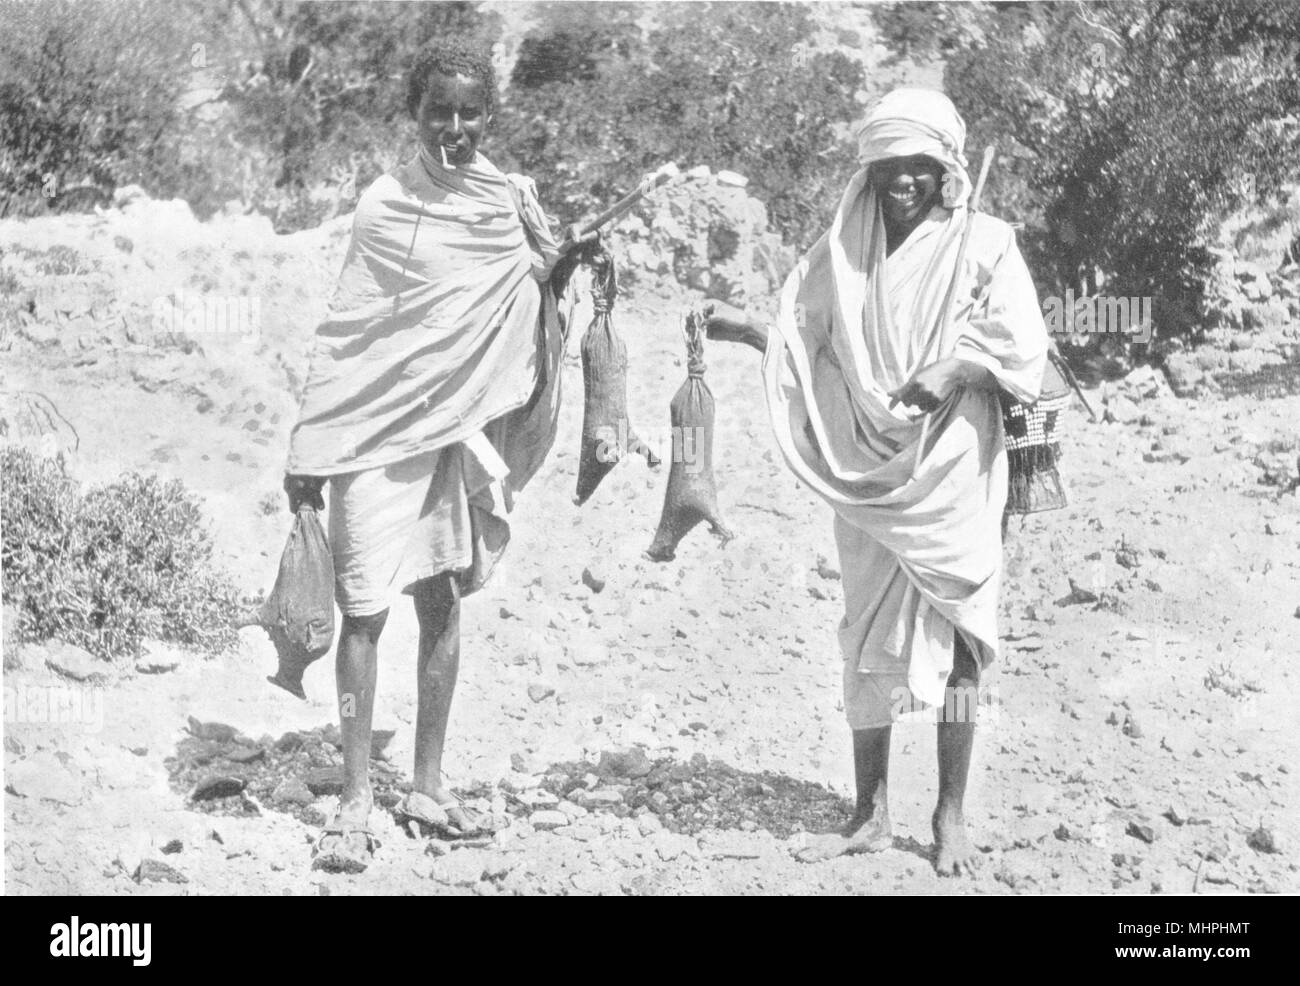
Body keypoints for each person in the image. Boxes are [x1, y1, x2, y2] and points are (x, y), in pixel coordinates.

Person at [714, 88, 1048, 875]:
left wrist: (958, 366)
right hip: (866, 472)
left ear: (946, 168)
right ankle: (868, 813)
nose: (905, 181)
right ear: (871, 167)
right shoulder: (842, 252)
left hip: (955, 465)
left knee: (964, 631)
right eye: (891, 166)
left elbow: (1022, 350)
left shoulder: (986, 244)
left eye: (921, 166)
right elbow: (806, 345)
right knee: (863, 638)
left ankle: (951, 814)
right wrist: (742, 330)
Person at [281, 38, 589, 873]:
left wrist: (562, 273)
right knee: (364, 611)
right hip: (373, 432)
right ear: (412, 114)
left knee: (444, 601)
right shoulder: (383, 205)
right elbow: (348, 331)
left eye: (469, 111)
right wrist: (310, 441)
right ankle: (353, 793)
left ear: (489, 114)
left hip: (459, 429)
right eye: (437, 111)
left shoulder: (511, 201)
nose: (455, 127)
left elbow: (532, 302)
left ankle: (426, 782)